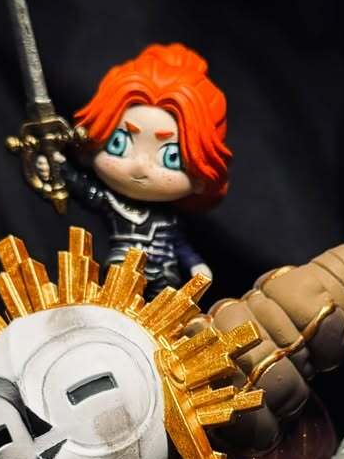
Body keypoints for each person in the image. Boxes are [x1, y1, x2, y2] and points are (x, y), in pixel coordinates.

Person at [41, 42, 229, 296]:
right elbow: (84, 189)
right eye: (119, 144)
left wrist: (195, 264)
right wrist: (59, 167)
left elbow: (180, 245)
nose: (140, 166)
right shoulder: (113, 203)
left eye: (170, 157)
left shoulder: (169, 219)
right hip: (122, 275)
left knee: (164, 311)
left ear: (201, 178)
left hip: (164, 277)